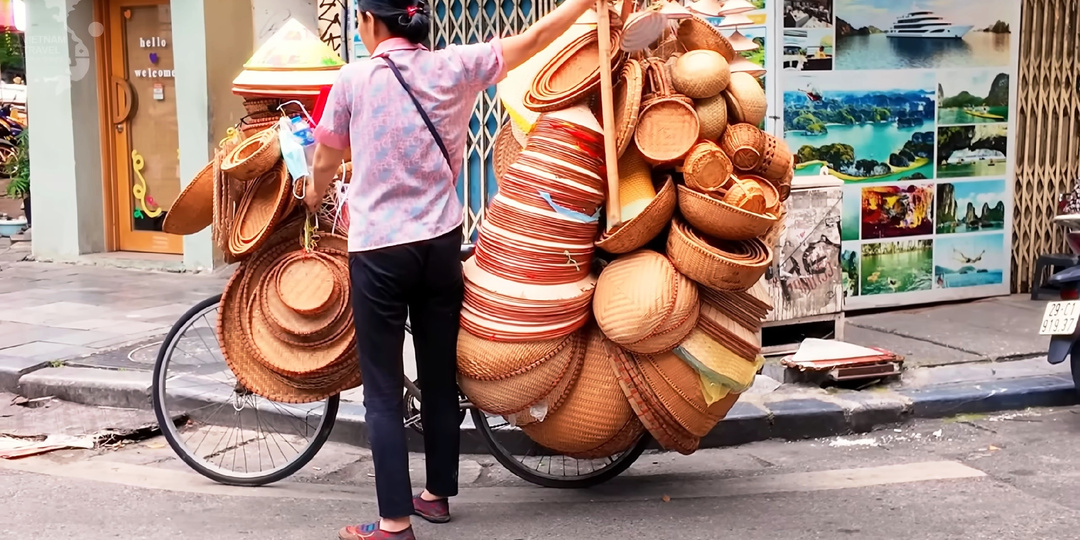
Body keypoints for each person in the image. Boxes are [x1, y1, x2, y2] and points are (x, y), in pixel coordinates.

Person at [304, 0, 602, 538]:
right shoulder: (454, 67)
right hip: (440, 244)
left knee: (381, 388)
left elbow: (326, 158)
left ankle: (394, 521)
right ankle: (436, 496)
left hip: (379, 251)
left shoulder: (353, 79)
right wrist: (583, 3)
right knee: (440, 375)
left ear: (369, 21)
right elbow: (532, 41)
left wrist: (311, 198)